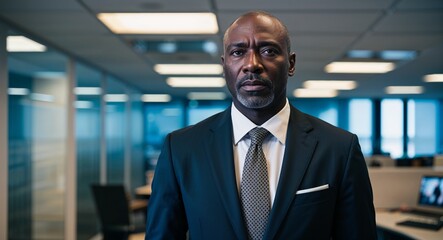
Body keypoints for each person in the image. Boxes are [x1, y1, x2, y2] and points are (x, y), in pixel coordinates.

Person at [146, 11, 377, 239]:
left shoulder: (339, 148)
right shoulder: (181, 148)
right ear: (225, 66)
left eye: (268, 51)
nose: (252, 64)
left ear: (291, 64)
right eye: (238, 52)